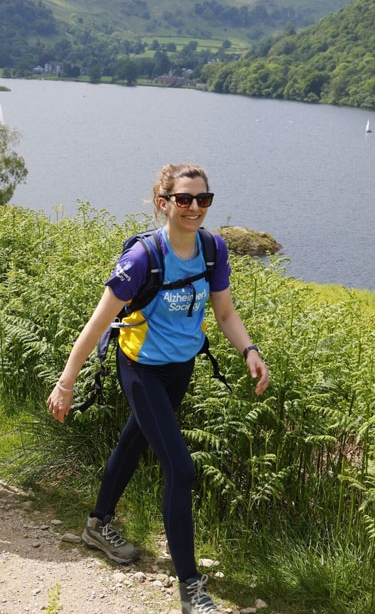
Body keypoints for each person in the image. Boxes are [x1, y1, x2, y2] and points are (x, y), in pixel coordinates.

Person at [47, 163, 271, 614]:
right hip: (142, 368)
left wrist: (249, 350)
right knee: (181, 470)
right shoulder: (143, 258)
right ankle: (190, 588)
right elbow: (98, 322)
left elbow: (225, 313)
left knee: (134, 440)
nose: (194, 208)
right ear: (163, 203)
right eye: (184, 199)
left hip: (180, 367)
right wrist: (66, 383)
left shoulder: (212, 250)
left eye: (203, 199)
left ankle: (97, 524)